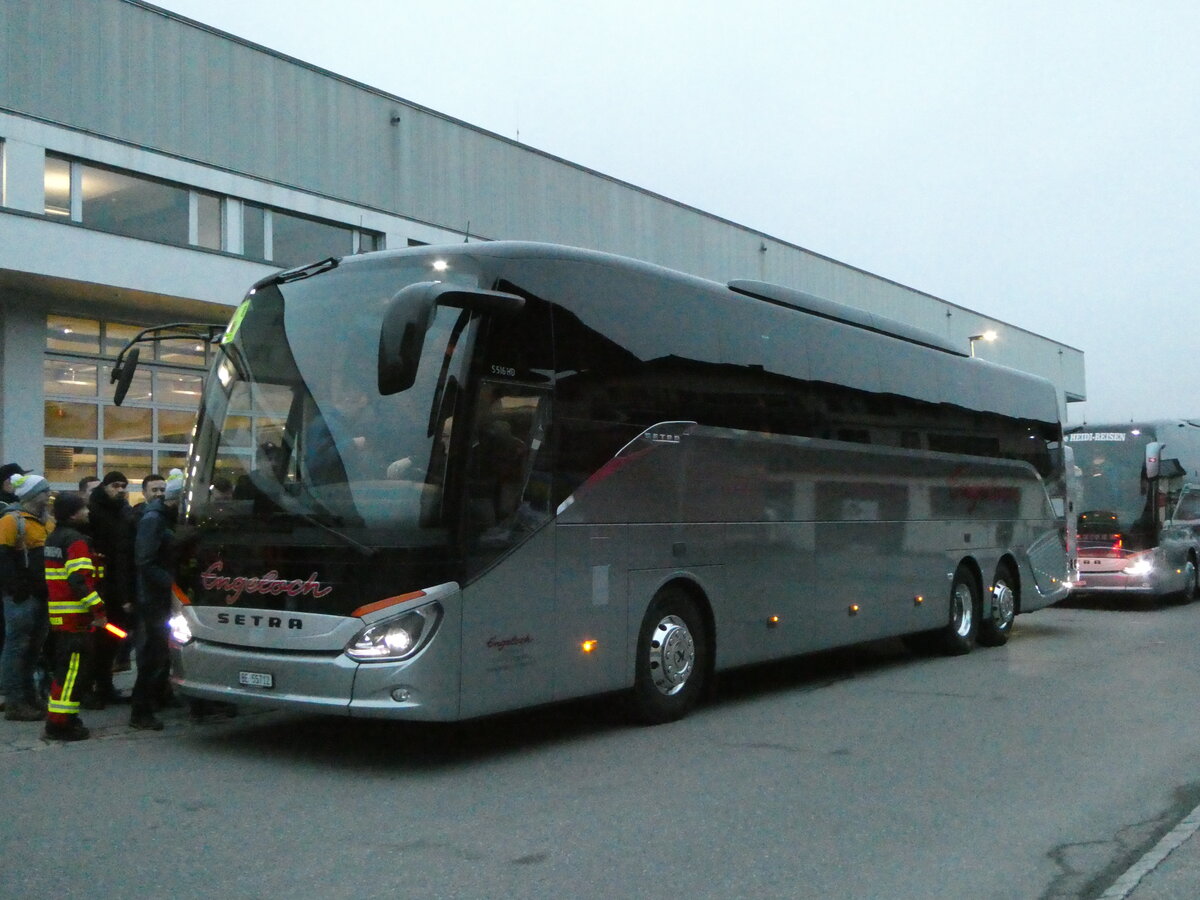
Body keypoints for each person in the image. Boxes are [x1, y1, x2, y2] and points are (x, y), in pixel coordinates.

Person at [43, 492, 107, 741]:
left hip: (60, 618)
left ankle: (64, 718)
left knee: (64, 672)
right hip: (76, 620)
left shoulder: (54, 538)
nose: (88, 512)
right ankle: (60, 724)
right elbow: (79, 580)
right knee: (72, 675)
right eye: (84, 509)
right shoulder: (76, 541)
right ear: (73, 513)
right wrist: (98, 610)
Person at [130, 469, 186, 730]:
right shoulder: (154, 519)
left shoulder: (163, 517)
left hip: (160, 595)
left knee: (160, 653)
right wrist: (172, 584)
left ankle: (154, 700)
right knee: (152, 654)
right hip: (153, 598)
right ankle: (140, 710)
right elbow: (145, 560)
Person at [0, 473, 52, 721]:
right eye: (44, 491)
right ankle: (15, 702)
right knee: (17, 648)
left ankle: (30, 698)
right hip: (21, 598)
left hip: (41, 595)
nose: (48, 495)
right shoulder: (11, 521)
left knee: (33, 649)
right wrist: (17, 589)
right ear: (33, 495)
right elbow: (3, 559)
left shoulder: (46, 522)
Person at [83, 471, 136, 706]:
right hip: (100, 586)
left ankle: (104, 686)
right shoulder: (94, 512)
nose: (121, 489)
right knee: (96, 642)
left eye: (124, 486)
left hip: (117, 586)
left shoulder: (122, 512)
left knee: (111, 640)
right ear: (105, 486)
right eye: (116, 485)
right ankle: (91, 688)